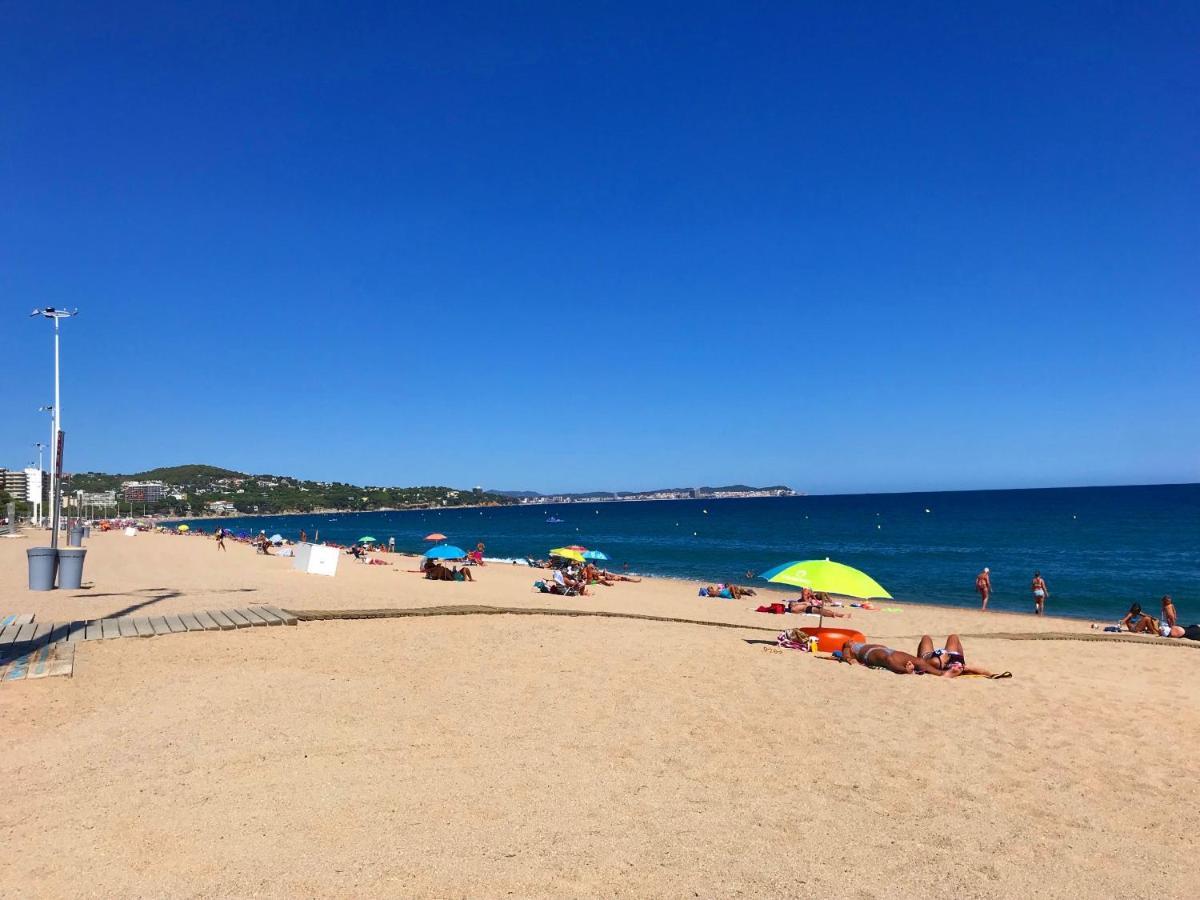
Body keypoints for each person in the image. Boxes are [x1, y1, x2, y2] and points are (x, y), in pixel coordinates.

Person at [838, 641, 953, 676]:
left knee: (919, 661)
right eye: (850, 641)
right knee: (888, 659)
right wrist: (850, 659)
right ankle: (905, 670)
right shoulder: (850, 646)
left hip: (888, 649)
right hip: (870, 653)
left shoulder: (859, 643)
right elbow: (846, 654)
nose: (851, 641)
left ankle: (941, 672)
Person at [915, 634, 1007, 677]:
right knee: (953, 637)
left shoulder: (954, 666)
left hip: (938, 659)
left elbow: (973, 669)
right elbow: (977, 670)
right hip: (951, 658)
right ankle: (922, 663)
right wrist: (992, 674)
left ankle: (920, 662)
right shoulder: (957, 666)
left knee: (926, 638)